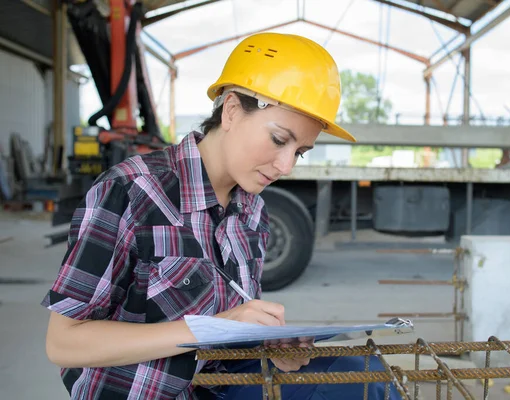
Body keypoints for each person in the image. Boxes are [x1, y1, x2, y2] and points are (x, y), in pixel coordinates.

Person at [42, 32, 401, 399]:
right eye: (280, 140)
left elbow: (232, 330)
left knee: (366, 380)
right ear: (230, 110)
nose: (286, 166)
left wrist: (268, 343)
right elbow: (63, 343)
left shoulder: (252, 210)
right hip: (144, 392)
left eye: (301, 152)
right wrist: (209, 328)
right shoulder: (129, 193)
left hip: (218, 383)